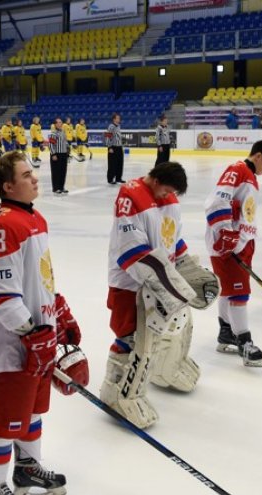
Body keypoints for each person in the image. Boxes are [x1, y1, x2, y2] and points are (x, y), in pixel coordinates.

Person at [0, 151, 87, 495]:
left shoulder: (33, 218)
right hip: (11, 343)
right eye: (26, 174)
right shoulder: (0, 224)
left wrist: (59, 312)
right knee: (3, 419)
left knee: (33, 410)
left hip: (38, 336)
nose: (36, 178)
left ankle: (26, 467)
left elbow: (41, 278)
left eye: (33, 172)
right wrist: (33, 332)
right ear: (8, 187)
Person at [101, 162, 219, 428]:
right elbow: (130, 251)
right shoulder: (130, 196)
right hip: (129, 282)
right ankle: (115, 392)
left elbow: (173, 238)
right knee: (130, 335)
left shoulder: (170, 197)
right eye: (166, 190)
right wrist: (171, 284)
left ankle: (166, 369)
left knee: (165, 330)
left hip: (161, 278)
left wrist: (186, 268)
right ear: (154, 180)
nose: (169, 196)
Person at [205, 140, 262, 367]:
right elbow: (216, 201)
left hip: (240, 243)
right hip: (229, 245)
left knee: (229, 290)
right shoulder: (238, 170)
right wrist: (225, 233)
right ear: (258, 156)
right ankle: (244, 342)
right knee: (239, 293)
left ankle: (226, 332)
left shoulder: (249, 176)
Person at [48, 117, 69, 195]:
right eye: (58, 122)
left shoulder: (63, 132)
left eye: (61, 122)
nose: (60, 124)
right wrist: (53, 154)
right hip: (56, 155)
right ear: (55, 124)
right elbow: (50, 145)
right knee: (56, 172)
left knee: (63, 171)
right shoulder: (53, 133)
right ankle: (56, 188)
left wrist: (67, 150)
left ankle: (61, 187)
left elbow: (65, 142)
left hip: (63, 154)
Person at [105, 112, 125, 185]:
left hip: (119, 147)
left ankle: (118, 178)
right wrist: (109, 147)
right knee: (112, 164)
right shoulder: (111, 126)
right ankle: (110, 179)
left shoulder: (118, 126)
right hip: (113, 148)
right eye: (117, 118)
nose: (119, 119)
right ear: (114, 119)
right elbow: (107, 136)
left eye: (119, 118)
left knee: (120, 163)